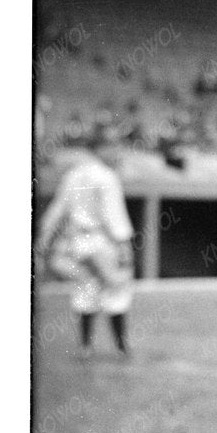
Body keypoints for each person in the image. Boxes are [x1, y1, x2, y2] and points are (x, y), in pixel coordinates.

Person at [36, 136, 136, 356]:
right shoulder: (107, 176)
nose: (116, 151)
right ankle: (121, 347)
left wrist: (43, 238)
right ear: (99, 148)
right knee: (116, 292)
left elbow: (56, 210)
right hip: (103, 241)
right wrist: (124, 247)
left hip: (79, 242)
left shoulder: (73, 174)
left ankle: (85, 347)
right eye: (111, 146)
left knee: (85, 293)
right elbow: (114, 217)